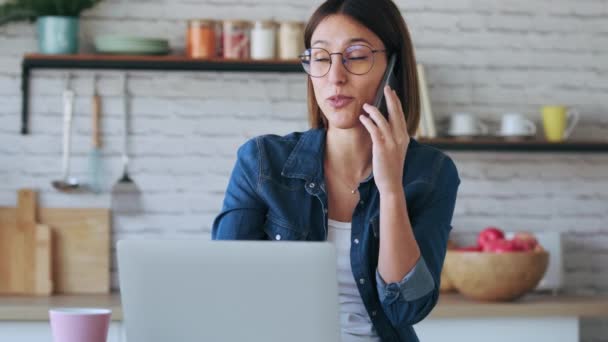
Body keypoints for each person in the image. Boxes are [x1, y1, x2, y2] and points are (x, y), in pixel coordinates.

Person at [212, 0, 460, 341]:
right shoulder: (261, 162)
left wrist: (390, 190)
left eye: (356, 56)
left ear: (393, 68)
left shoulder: (432, 173)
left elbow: (407, 308)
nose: (335, 76)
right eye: (321, 57)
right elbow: (222, 291)